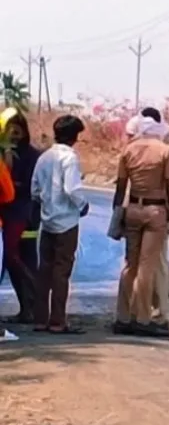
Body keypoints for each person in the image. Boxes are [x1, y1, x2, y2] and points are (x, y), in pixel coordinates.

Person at [112, 107, 169, 338]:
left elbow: (120, 188)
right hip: (155, 211)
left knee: (130, 266)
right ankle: (142, 319)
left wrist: (117, 217)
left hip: (133, 209)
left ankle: (123, 317)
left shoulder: (128, 151)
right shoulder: (165, 151)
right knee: (147, 267)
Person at [29, 114, 89, 334]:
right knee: (61, 272)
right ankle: (57, 321)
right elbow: (72, 189)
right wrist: (83, 205)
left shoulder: (44, 157)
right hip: (67, 222)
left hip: (47, 222)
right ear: (74, 137)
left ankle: (40, 319)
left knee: (44, 270)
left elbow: (34, 190)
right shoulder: (69, 158)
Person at [1, 108, 42, 323]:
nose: (14, 137)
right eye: (10, 132)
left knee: (15, 257)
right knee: (11, 260)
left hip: (23, 213)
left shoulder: (32, 156)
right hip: (8, 214)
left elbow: (29, 188)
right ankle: (27, 308)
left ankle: (35, 300)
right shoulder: (3, 153)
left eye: (17, 132)